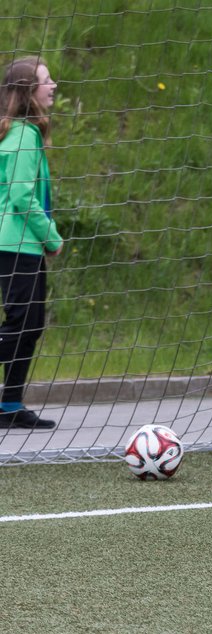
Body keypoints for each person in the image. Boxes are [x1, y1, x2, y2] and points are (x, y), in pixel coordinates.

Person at [0, 57, 62, 430]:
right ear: (28, 91)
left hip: (19, 243)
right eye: (46, 80)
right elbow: (23, 197)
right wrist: (51, 237)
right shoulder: (24, 133)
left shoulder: (13, 131)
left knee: (30, 324)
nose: (53, 85)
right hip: (17, 242)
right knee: (22, 324)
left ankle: (9, 405)